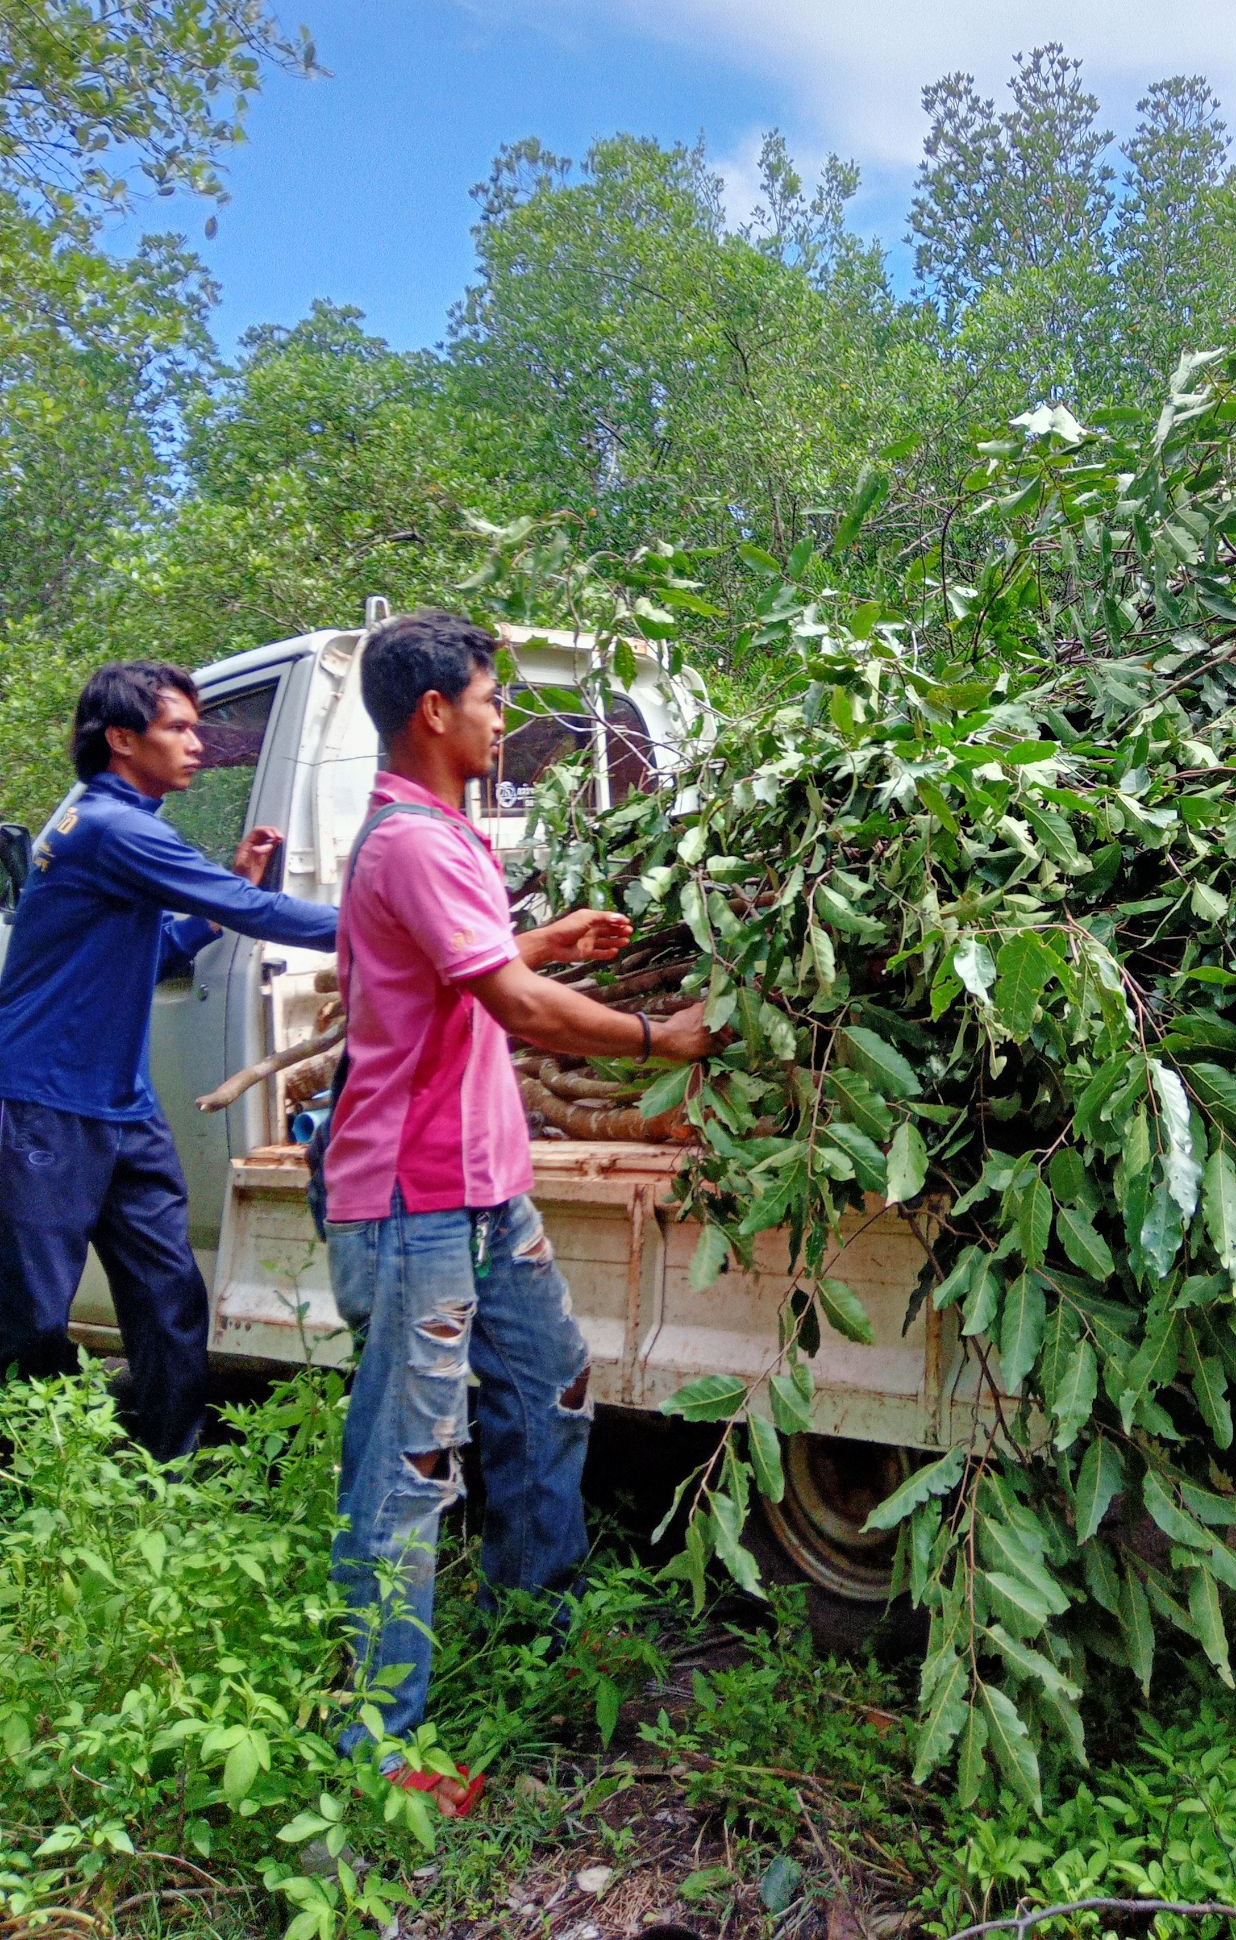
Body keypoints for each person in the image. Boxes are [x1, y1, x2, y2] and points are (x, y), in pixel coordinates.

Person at [322, 610, 718, 1813]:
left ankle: (535, 1623)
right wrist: (664, 1036)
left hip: (487, 1195)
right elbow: (519, 1010)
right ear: (434, 712)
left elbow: (468, 967)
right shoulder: (410, 843)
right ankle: (376, 1752)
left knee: (551, 1393)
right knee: (406, 1471)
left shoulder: (445, 836)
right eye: (493, 699)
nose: (506, 717)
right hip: (411, 1209)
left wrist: (544, 938)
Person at [0, 661, 339, 1461]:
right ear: (122, 739)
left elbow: (150, 952)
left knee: (168, 1299)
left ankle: (168, 1468)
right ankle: (27, 1489)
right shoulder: (117, 829)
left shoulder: (103, 822)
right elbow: (255, 911)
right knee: (34, 1317)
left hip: (122, 1107)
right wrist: (394, 920)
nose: (198, 743)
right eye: (178, 728)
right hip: (45, 1103)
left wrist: (226, 893)